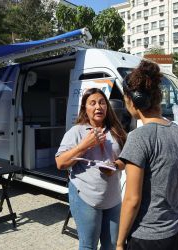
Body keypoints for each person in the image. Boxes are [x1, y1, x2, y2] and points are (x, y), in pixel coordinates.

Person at [116, 60, 178, 250]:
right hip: (177, 228)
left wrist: (119, 243)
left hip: (147, 238)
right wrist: (170, 203)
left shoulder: (139, 137)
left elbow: (132, 200)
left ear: (133, 99)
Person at [55, 88, 127, 250]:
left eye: (102, 102)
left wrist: (115, 166)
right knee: (89, 246)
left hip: (113, 198)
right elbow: (60, 163)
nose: (98, 107)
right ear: (84, 109)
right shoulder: (76, 132)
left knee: (112, 245)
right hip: (85, 197)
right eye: (92, 103)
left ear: (107, 107)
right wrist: (84, 145)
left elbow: (125, 159)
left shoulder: (116, 131)